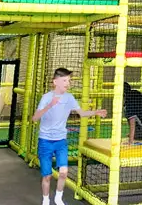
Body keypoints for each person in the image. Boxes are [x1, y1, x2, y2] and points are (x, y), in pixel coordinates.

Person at [33, 68, 107, 205]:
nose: (68, 83)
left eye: (69, 80)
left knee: (63, 172)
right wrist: (50, 105)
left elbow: (82, 113)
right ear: (55, 82)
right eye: (65, 80)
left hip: (61, 141)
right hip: (45, 141)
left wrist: (96, 112)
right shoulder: (46, 97)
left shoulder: (69, 98)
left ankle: (58, 198)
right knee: (47, 176)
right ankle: (45, 200)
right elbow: (35, 118)